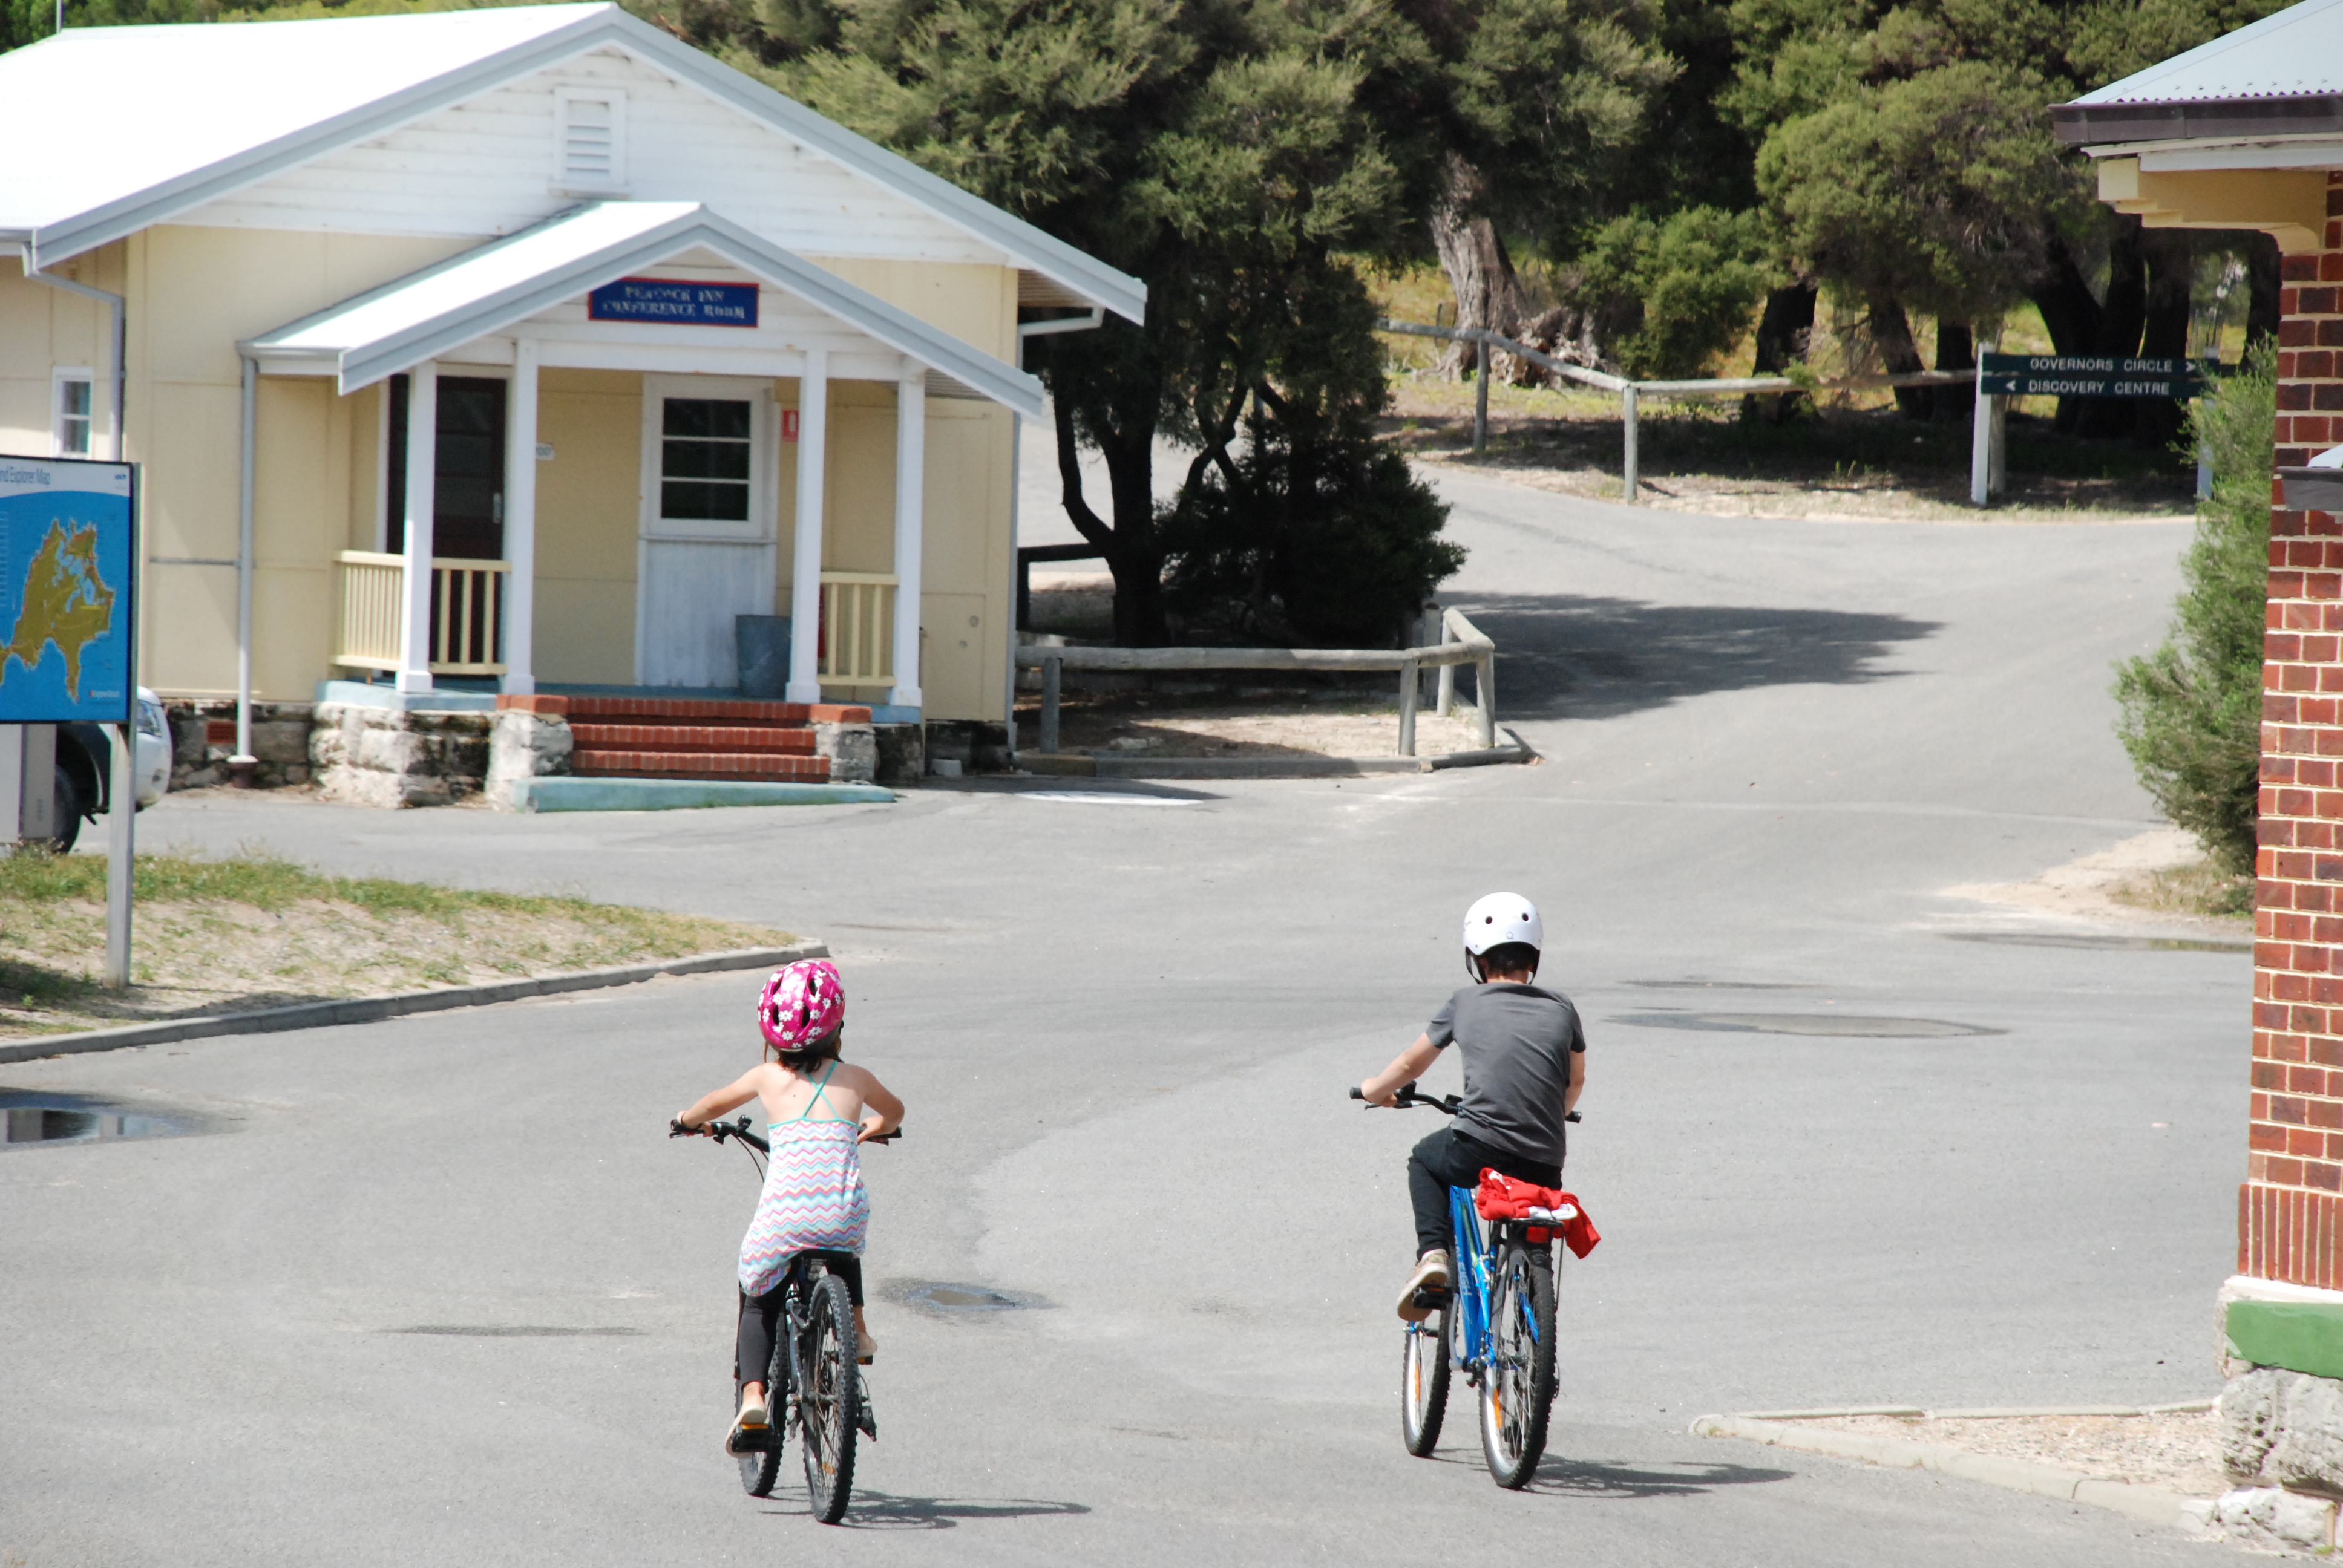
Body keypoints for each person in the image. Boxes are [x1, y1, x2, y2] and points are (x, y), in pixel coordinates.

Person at [675, 958, 905, 1446]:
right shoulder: (856, 1078)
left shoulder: (765, 1077)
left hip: (786, 1219)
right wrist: (876, 1126)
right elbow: (895, 1112)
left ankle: (753, 1398)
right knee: (841, 1244)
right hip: (844, 1213)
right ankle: (858, 1330)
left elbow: (711, 1104)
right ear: (837, 1025)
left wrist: (687, 1120)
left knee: (758, 1296)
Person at [1358, 892, 1585, 1321]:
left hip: (1479, 1146)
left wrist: (1374, 1090)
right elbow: (1575, 1082)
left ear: (1478, 960)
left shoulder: (1465, 1002)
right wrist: (1551, 1114)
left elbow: (1410, 1065)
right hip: (1545, 1156)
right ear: (1534, 956)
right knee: (1534, 1229)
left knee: (1425, 1161)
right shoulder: (1562, 1008)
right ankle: (1534, 1326)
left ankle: (1433, 1255)